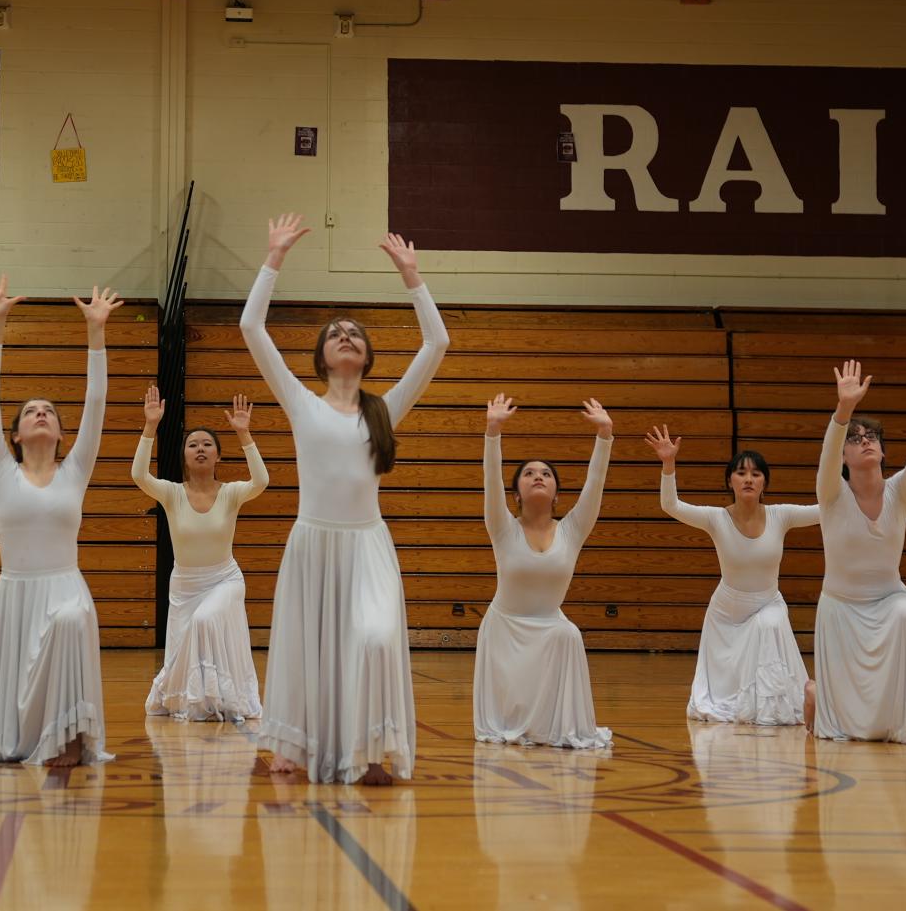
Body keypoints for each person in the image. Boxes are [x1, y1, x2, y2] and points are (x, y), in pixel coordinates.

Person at [240, 214, 450, 783]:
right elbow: (252, 328)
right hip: (313, 544)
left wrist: (412, 277)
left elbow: (437, 343)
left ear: (366, 355)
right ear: (322, 356)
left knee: (377, 639)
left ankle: (371, 749)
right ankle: (296, 748)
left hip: (367, 548)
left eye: (355, 333)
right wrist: (273, 259)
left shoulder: (383, 409)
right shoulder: (300, 403)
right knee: (308, 653)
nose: (346, 337)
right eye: (336, 333)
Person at [0, 275, 120, 769]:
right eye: (31, 412)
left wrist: (95, 333)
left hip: (65, 588)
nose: (41, 414)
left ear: (60, 431)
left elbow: (97, 401)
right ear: (13, 435)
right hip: (16, 592)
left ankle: (73, 734)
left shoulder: (75, 469)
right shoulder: (1, 470)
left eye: (50, 411)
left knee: (73, 621)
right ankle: (28, 738)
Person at [813, 359, 906, 746]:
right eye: (855, 438)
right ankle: (819, 701)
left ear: (882, 450)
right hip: (841, 609)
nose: (865, 441)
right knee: (845, 725)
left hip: (889, 600)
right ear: (844, 457)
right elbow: (827, 454)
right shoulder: (831, 493)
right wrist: (842, 410)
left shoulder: (900, 491)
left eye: (872, 437)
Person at [472, 393, 614, 748]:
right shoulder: (502, 526)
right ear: (516, 494)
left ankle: (558, 725)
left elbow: (595, 485)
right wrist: (493, 432)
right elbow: (490, 479)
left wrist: (605, 435)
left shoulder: (573, 529)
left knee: (568, 634)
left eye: (546, 474)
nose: (538, 477)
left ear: (556, 495)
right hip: (505, 630)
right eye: (529, 474)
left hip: (550, 629)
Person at [653, 431, 819, 725]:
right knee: (724, 698)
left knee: (768, 624)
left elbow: (827, 510)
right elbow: (671, 506)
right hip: (726, 614)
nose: (748, 479)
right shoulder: (716, 518)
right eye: (741, 473)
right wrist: (668, 464)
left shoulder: (782, 515)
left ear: (764, 482)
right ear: (730, 480)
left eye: (756, 474)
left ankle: (775, 709)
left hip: (768, 603)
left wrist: (851, 479)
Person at [132, 389, 269, 722]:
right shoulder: (171, 493)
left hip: (225, 580)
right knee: (182, 651)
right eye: (193, 444)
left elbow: (261, 480)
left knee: (205, 620)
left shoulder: (232, 492)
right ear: (185, 456)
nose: (201, 449)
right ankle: (200, 698)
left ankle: (220, 696)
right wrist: (150, 427)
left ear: (218, 456)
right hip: (184, 586)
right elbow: (139, 476)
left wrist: (244, 433)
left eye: (207, 444)